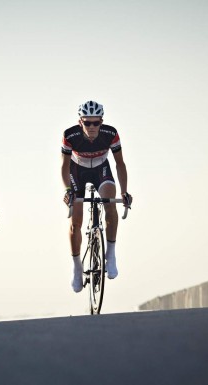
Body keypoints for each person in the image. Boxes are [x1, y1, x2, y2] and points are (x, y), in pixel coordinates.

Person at [61, 100, 132, 293]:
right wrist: (68, 190)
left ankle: (111, 254)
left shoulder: (111, 133)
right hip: (77, 170)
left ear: (102, 121)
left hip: (101, 168)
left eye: (96, 123)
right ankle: (77, 267)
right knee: (76, 221)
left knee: (111, 204)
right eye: (87, 123)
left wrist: (124, 192)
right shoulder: (70, 135)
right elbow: (64, 166)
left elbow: (120, 164)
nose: (92, 127)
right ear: (80, 122)